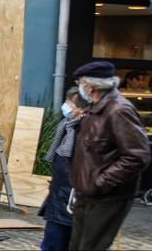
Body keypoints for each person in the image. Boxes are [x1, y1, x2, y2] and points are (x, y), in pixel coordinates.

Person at [69, 61, 151, 251]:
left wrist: (100, 182)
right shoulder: (95, 108)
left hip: (107, 196)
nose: (79, 86)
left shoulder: (119, 110)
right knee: (77, 246)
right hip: (87, 194)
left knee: (90, 246)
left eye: (80, 82)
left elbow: (138, 156)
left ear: (90, 85)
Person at [39, 87, 88, 251]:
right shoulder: (68, 126)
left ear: (82, 109)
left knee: (57, 242)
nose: (66, 106)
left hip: (69, 202)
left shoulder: (83, 131)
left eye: (70, 103)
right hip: (60, 198)